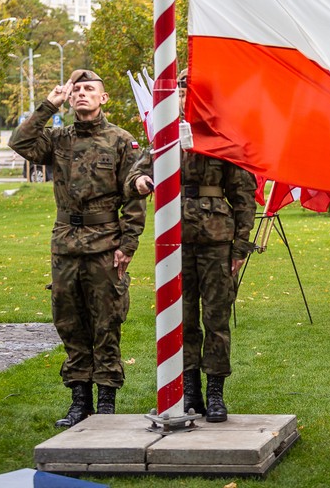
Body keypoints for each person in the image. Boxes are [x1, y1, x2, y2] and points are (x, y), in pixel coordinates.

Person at [9, 69, 146, 428]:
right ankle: (78, 401)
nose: (82, 94)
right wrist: (47, 105)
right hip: (66, 243)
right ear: (70, 99)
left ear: (103, 98)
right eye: (77, 90)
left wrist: (128, 244)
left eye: (90, 89)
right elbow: (20, 143)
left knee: (106, 321)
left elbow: (133, 197)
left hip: (105, 243)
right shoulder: (57, 139)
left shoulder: (121, 141)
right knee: (69, 322)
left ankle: (106, 403)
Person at [126, 68, 257, 423]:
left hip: (216, 241)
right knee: (181, 321)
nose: (184, 97)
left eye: (191, 91)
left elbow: (244, 195)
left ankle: (215, 393)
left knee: (216, 319)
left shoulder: (224, 135)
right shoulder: (165, 135)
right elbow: (136, 173)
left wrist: (241, 247)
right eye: (180, 91)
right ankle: (190, 391)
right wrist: (140, 181)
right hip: (175, 241)